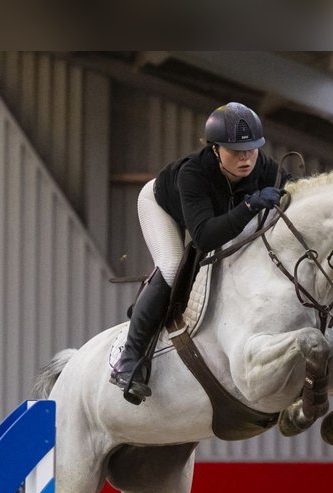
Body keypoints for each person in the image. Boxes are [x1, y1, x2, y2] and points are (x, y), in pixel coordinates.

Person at [110, 101, 289, 404]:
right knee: (172, 264)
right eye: (235, 150)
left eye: (251, 148)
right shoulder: (193, 173)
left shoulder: (266, 169)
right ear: (216, 149)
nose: (246, 157)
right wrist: (248, 207)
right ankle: (129, 359)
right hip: (162, 206)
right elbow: (205, 237)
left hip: (212, 217)